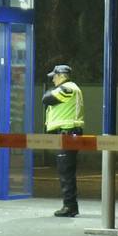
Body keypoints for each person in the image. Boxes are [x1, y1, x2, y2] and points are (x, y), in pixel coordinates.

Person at [43, 64, 84, 217]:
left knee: (66, 172)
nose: (53, 79)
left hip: (68, 134)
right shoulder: (70, 88)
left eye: (54, 76)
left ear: (61, 75)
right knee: (66, 171)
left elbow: (46, 98)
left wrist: (51, 91)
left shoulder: (68, 88)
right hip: (68, 133)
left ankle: (70, 206)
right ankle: (70, 205)